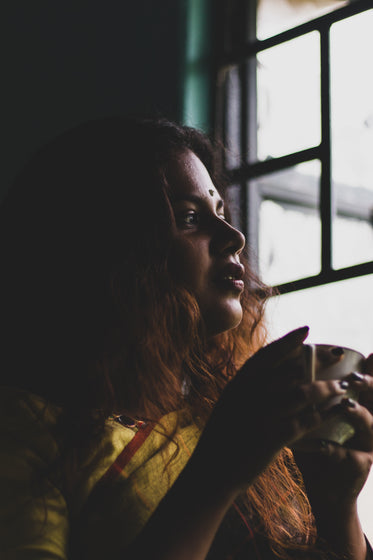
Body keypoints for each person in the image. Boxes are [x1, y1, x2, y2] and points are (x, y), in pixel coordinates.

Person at [0, 116, 372, 560]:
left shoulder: (228, 411)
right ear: (108, 250)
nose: (234, 237)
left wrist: (337, 508)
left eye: (221, 213)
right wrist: (219, 468)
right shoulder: (26, 435)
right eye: (191, 219)